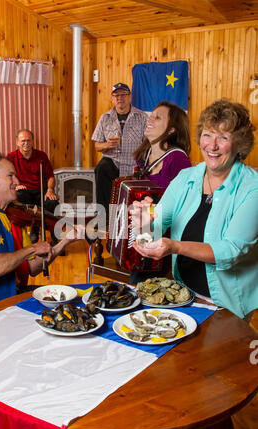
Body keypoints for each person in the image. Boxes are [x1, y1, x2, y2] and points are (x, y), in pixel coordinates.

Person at [131, 99, 258, 319]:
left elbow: (230, 250)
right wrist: (144, 221)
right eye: (208, 135)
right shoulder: (186, 178)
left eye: (224, 137)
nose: (213, 145)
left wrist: (176, 247)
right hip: (184, 297)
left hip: (228, 307)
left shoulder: (252, 188)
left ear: (239, 144)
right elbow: (157, 227)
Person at [0, 154, 84, 320]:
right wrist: (32, 247)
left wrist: (65, 241)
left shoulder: (11, 217)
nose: (17, 181)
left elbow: (33, 267)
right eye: (10, 176)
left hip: (9, 305)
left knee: (71, 305)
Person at [130, 100, 191, 284]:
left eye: (158, 117)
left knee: (142, 282)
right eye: (151, 114)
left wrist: (153, 208)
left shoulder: (178, 159)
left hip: (165, 235)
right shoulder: (145, 156)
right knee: (137, 276)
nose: (150, 119)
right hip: (144, 229)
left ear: (171, 130)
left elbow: (186, 204)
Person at [92, 83, 147, 220]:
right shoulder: (105, 118)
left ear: (130, 97)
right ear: (112, 99)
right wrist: (107, 145)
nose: (120, 98)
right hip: (113, 162)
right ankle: (104, 219)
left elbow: (148, 144)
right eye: (116, 95)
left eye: (123, 95)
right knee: (101, 168)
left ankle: (130, 221)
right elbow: (97, 146)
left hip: (133, 164)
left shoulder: (142, 117)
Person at [7, 129, 58, 243]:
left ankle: (54, 234)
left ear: (32, 141)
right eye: (23, 141)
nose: (26, 143)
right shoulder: (10, 157)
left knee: (52, 202)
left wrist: (50, 190)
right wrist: (15, 186)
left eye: (28, 140)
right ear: (17, 142)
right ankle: (35, 227)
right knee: (20, 196)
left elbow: (51, 177)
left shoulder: (41, 155)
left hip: (42, 191)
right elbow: (6, 177)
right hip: (24, 192)